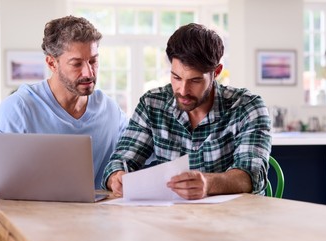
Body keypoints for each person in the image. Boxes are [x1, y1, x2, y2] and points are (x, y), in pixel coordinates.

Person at [102, 23, 272, 200]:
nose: (183, 90)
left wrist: (208, 184)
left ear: (217, 72)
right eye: (176, 77)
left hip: (234, 219)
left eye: (195, 80)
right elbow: (120, 161)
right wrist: (116, 177)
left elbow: (251, 176)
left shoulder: (247, 107)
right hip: (172, 219)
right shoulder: (152, 104)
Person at [0, 16, 128, 192]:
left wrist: (120, 173)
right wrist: (34, 187)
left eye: (93, 61)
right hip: (35, 215)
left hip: (98, 216)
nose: (88, 72)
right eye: (76, 64)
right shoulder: (19, 107)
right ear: (52, 63)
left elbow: (134, 155)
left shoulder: (110, 109)